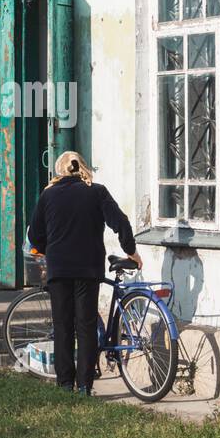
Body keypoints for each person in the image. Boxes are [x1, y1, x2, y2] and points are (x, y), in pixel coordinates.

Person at [27, 150, 142, 394]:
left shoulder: (48, 196)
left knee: (63, 326)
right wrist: (131, 252)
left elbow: (34, 235)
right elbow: (120, 222)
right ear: (82, 167)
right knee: (86, 326)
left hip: (59, 270)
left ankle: (65, 384)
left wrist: (50, 250)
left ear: (59, 170)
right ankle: (84, 386)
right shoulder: (96, 191)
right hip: (88, 269)